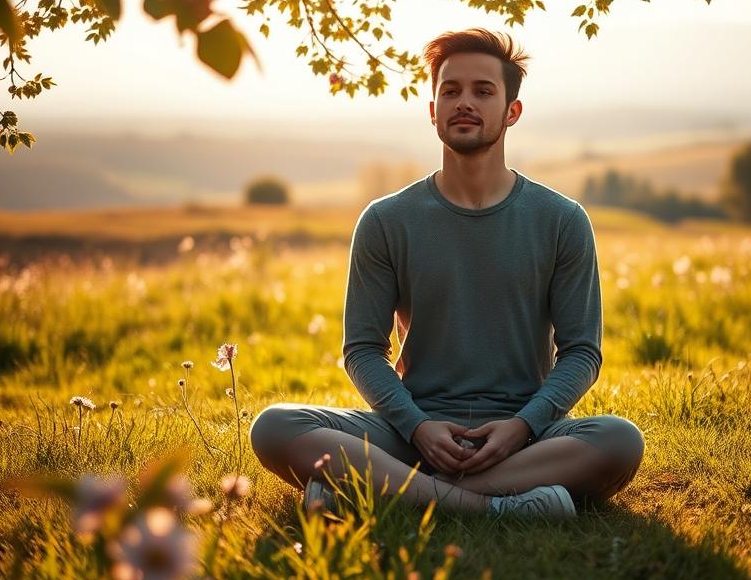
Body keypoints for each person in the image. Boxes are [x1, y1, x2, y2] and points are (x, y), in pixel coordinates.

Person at [250, 29, 645, 519]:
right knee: (273, 427)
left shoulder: (561, 220)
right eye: (450, 90)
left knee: (618, 440)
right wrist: (417, 427)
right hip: (409, 434)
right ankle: (497, 507)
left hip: (522, 438)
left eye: (483, 91)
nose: (464, 102)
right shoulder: (385, 221)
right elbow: (363, 351)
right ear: (432, 109)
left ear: (511, 112)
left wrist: (523, 426)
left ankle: (380, 489)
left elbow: (582, 352)